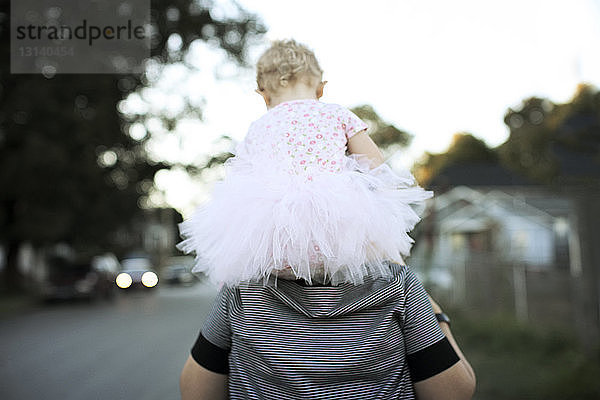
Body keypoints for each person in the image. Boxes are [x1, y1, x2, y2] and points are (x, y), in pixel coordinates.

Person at [178, 39, 476, 399]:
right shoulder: (337, 113)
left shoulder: (260, 126)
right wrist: (373, 200)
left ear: (264, 94)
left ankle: (288, 292)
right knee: (368, 248)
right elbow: (375, 167)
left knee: (259, 252)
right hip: (336, 225)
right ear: (320, 88)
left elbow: (241, 180)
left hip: (274, 232)